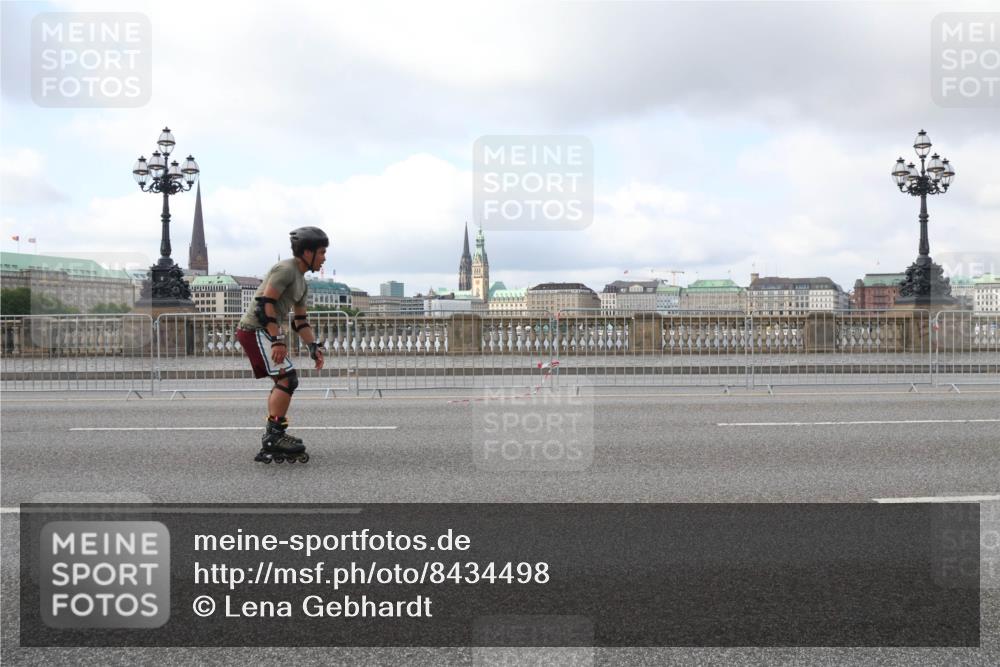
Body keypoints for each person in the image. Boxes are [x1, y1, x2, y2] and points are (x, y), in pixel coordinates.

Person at [236, 227, 328, 463]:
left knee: (284, 379)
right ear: (307, 253)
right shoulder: (285, 269)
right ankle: (274, 437)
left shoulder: (302, 283)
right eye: (321, 252)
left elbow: (300, 321)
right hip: (255, 329)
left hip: (264, 331)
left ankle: (274, 433)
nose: (324, 258)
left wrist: (313, 347)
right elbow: (265, 303)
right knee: (287, 378)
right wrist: (277, 340)